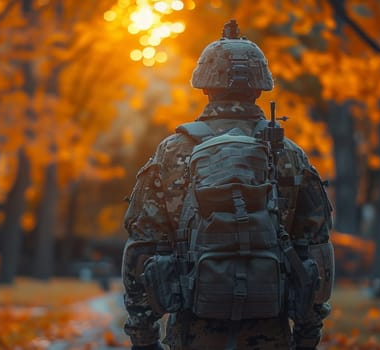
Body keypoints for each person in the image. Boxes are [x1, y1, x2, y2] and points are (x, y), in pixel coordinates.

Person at [121, 20, 334, 350]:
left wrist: (143, 337)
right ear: (260, 86)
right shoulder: (288, 155)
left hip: (192, 332)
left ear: (205, 85)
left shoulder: (173, 151)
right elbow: (316, 250)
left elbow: (142, 246)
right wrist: (307, 335)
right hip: (270, 333)